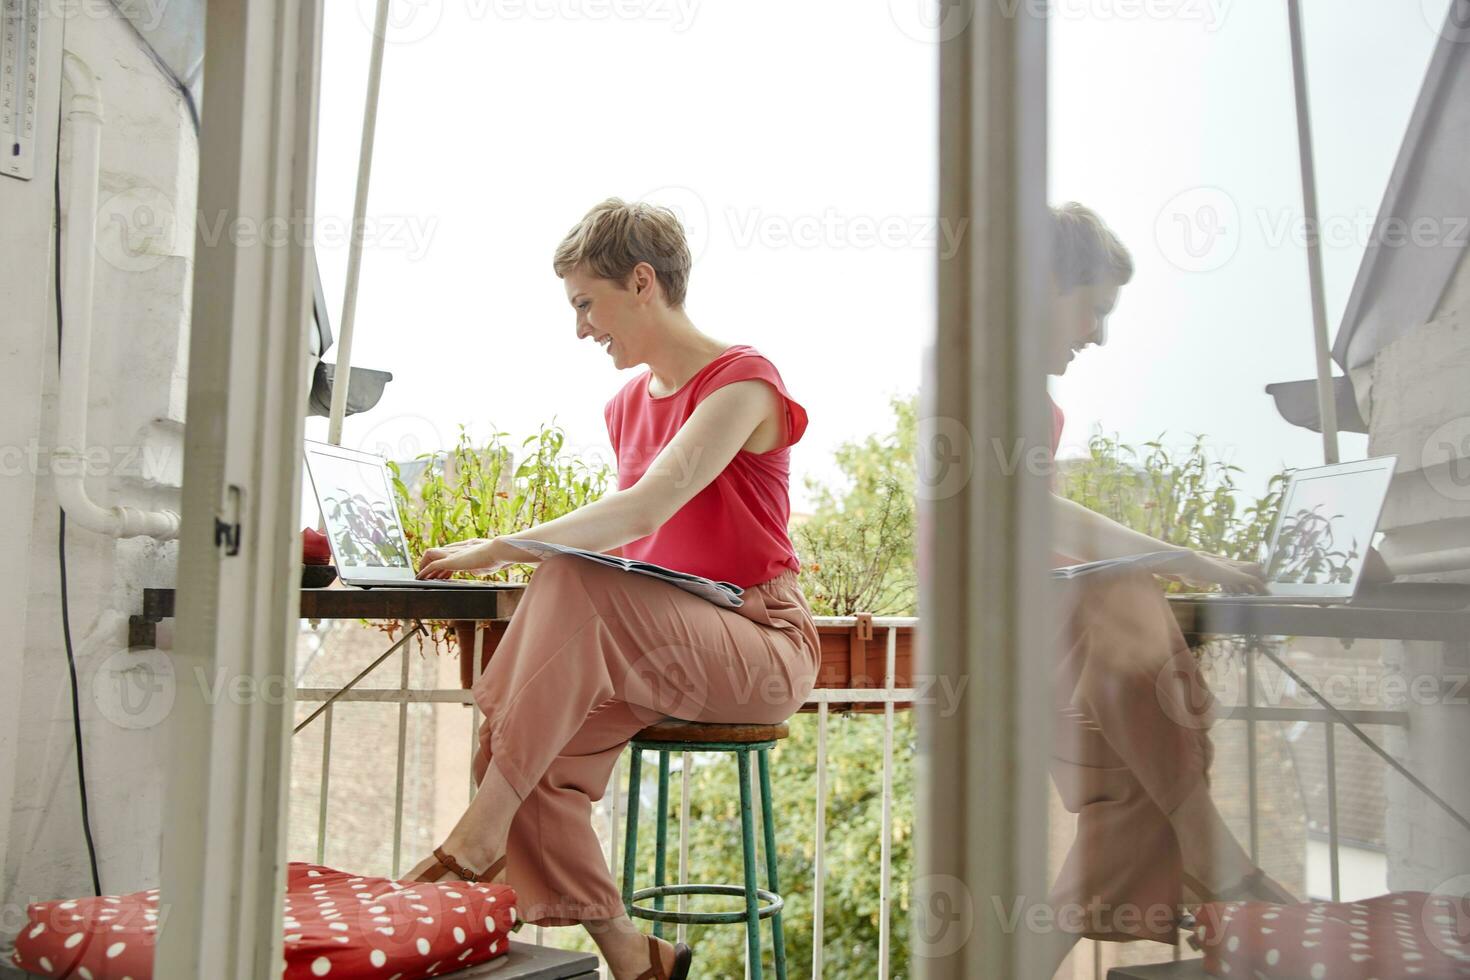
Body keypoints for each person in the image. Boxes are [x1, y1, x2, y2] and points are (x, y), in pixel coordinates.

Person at [400, 199, 820, 980]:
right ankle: (634, 956)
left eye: (586, 304)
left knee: (566, 581)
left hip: (762, 646)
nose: (583, 328)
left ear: (641, 282)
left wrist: (496, 549)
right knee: (528, 758)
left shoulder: (745, 381)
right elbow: (638, 553)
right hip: (667, 645)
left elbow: (647, 507)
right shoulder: (626, 403)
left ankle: (479, 833)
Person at [1039, 203, 1295, 974]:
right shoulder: (984, 383)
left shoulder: (1029, 401)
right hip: (994, 642)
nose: (1099, 335)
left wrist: (1177, 559)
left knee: (1133, 809)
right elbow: (1028, 512)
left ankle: (1216, 855)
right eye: (1096, 309)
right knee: (1126, 596)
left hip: (1032, 640)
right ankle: (1225, 864)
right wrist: (1183, 557)